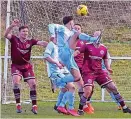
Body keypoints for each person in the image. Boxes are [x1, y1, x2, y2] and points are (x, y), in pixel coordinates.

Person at [48, 16, 101, 112]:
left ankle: (62, 105)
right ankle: (93, 39)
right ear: (70, 22)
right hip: (64, 52)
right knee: (77, 34)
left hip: (68, 54)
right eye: (73, 23)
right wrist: (52, 34)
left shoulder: (71, 32)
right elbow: (51, 25)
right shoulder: (62, 28)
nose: (74, 24)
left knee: (78, 79)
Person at [75, 31, 131, 115]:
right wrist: (68, 59)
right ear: (93, 36)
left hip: (99, 72)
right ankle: (80, 110)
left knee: (113, 87)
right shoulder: (87, 46)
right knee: (88, 90)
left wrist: (108, 67)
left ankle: (124, 107)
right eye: (96, 35)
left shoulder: (103, 48)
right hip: (88, 71)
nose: (97, 37)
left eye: (99, 35)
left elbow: (105, 59)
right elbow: (76, 53)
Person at [4, 19, 48, 114]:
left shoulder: (30, 41)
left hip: (27, 66)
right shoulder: (14, 39)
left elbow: (41, 43)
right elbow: (5, 34)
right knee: (16, 83)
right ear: (19, 32)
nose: (25, 33)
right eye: (23, 31)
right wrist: (12, 26)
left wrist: (51, 44)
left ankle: (34, 107)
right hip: (16, 66)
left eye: (27, 31)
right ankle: (18, 106)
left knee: (33, 84)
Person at [43, 38, 79, 116]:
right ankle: (65, 107)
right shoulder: (51, 44)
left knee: (65, 89)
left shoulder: (60, 46)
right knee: (72, 88)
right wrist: (56, 63)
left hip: (63, 71)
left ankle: (58, 106)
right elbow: (46, 56)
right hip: (55, 73)